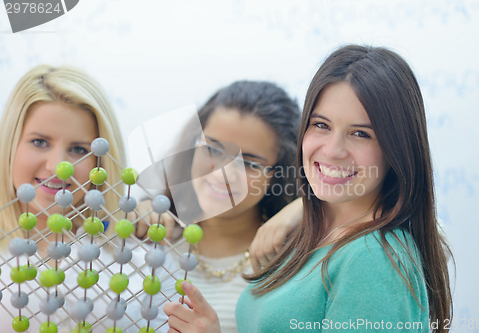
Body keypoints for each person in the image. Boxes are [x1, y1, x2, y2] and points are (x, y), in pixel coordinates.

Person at [163, 45, 453, 333]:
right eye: (321, 125)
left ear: (397, 149)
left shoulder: (373, 257)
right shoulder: (314, 237)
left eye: (361, 133)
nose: (333, 150)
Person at [0, 65, 175, 332]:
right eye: (39, 142)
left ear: (100, 162)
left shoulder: (143, 255)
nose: (58, 166)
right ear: (10, 143)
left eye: (79, 149)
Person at [136, 81, 300, 333]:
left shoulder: (289, 264)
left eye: (250, 164)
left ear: (278, 175)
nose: (224, 173)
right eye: (212, 149)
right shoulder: (150, 233)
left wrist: (308, 205)